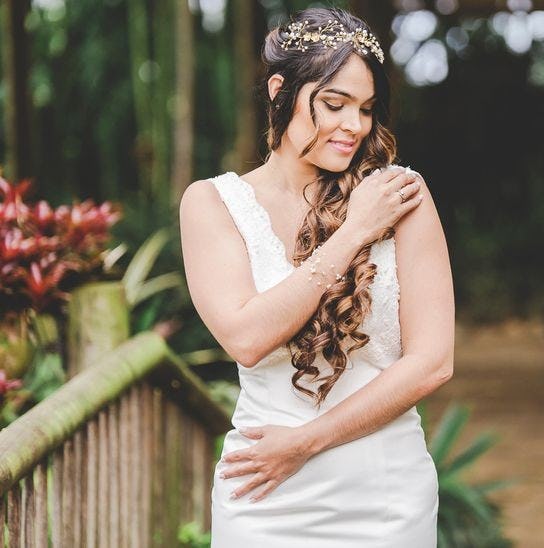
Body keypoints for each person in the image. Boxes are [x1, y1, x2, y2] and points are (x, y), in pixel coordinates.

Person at [178, 7, 454, 547]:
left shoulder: (402, 196)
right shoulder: (212, 203)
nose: (354, 126)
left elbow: (433, 364)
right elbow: (247, 339)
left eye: (367, 109)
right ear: (281, 90)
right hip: (264, 497)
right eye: (334, 104)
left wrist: (307, 442)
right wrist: (353, 232)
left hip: (386, 497)